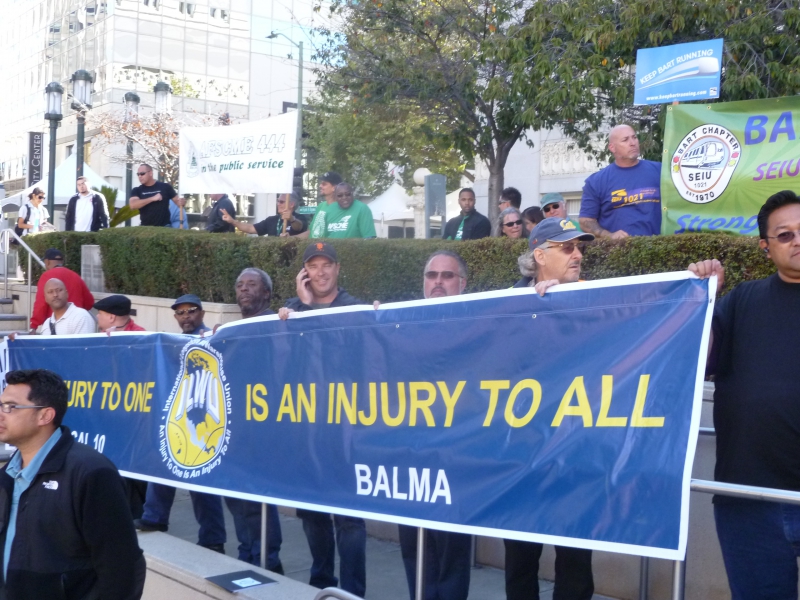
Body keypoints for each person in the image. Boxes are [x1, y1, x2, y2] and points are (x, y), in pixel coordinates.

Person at [699, 190, 800, 599]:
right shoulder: (739, 302)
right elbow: (692, 361)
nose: (797, 240)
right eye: (785, 234)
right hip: (749, 501)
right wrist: (701, 299)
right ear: (765, 246)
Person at [506, 217, 597, 599]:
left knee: (576, 563)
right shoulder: (508, 305)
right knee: (520, 562)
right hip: (521, 456)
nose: (577, 255)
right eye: (567, 247)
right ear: (539, 255)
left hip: (577, 455)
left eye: (579, 247)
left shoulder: (600, 297)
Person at [0, 369, 145, 599]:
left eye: (11, 406)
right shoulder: (7, 473)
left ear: (44, 416)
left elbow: (121, 568)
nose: (1, 413)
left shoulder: (91, 473)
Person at [278, 242, 367, 596]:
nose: (320, 272)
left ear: (337, 269)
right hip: (306, 428)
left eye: (326, 265)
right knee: (312, 511)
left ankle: (353, 591)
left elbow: (346, 354)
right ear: (304, 273)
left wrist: (310, 308)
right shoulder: (291, 311)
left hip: (345, 428)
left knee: (348, 517)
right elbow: (283, 365)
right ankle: (321, 584)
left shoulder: (355, 309)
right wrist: (298, 310)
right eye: (312, 266)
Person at [398, 250, 472, 600]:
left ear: (463, 284)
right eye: (431, 276)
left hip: (456, 462)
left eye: (447, 276)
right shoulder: (401, 324)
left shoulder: (481, 323)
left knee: (452, 557)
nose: (438, 282)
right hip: (409, 462)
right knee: (414, 552)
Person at [134, 294, 227, 554]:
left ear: (202, 313)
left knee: (201, 482)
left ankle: (213, 539)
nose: (186, 316)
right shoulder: (172, 342)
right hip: (179, 413)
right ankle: (155, 518)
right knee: (162, 465)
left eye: (191, 311)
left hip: (205, 414)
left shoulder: (211, 336)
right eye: (180, 312)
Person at [218, 268, 284, 573]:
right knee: (235, 497)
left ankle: (267, 563)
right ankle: (246, 555)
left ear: (267, 293)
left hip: (265, 430)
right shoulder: (231, 332)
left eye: (251, 284)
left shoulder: (277, 325)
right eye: (239, 284)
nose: (244, 289)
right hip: (235, 431)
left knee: (258, 502)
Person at [578, 124, 661, 238]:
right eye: (625, 140)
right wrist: (609, 236)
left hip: (659, 249)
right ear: (612, 147)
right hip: (617, 252)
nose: (632, 143)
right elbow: (585, 221)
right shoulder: (596, 181)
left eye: (634, 137)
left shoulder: (659, 171)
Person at [30, 248, 95, 333]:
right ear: (62, 261)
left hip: (56, 325)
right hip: (78, 323)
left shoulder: (47, 277)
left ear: (47, 262)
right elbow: (89, 302)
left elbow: (41, 304)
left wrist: (33, 326)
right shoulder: (75, 276)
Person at [221, 193, 307, 237]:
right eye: (278, 201)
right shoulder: (271, 220)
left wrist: (291, 219)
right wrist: (232, 221)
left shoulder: (300, 218)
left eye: (281, 202)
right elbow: (250, 228)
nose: (278, 204)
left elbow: (299, 226)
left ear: (291, 204)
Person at [309, 171, 343, 238]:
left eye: (324, 184)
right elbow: (311, 231)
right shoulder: (321, 206)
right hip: (313, 246)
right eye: (321, 184)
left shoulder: (340, 208)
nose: (320, 186)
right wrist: (290, 238)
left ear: (334, 188)